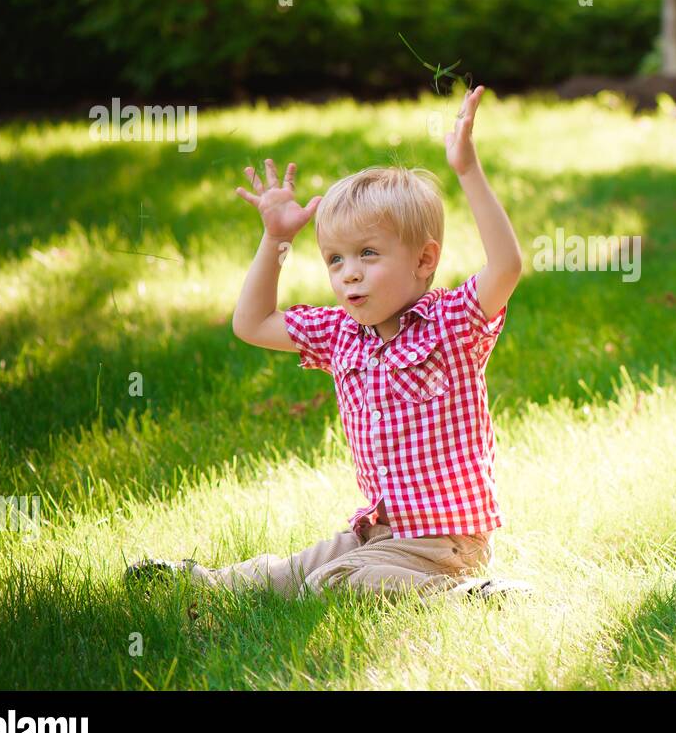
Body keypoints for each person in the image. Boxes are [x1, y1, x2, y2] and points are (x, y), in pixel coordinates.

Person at [128, 86, 529, 601]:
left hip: (444, 543)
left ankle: (465, 595)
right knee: (288, 577)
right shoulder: (341, 333)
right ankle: (210, 583)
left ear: (424, 260)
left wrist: (468, 170)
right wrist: (276, 239)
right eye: (335, 259)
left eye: (367, 254)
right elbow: (252, 323)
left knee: (330, 584)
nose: (348, 274)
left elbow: (506, 266)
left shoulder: (451, 323)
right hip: (379, 533)